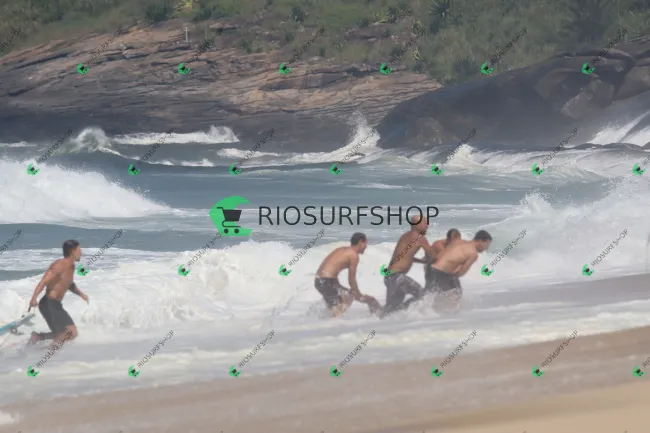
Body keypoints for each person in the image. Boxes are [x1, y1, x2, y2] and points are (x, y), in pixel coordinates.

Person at [27, 240, 89, 348]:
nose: (81, 252)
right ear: (72, 251)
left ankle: (37, 337)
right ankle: (48, 351)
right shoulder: (59, 265)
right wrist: (33, 298)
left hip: (53, 304)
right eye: (79, 250)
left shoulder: (71, 266)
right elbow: (43, 282)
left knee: (61, 333)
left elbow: (69, 284)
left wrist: (81, 295)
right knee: (72, 332)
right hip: (49, 303)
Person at [381, 216, 439, 317]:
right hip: (398, 278)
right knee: (424, 295)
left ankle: (375, 320)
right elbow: (433, 256)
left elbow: (405, 256)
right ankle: (411, 313)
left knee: (391, 311)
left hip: (390, 277)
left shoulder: (405, 236)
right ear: (416, 224)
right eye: (425, 223)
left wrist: (422, 261)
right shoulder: (420, 238)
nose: (427, 225)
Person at [314, 233, 382, 317]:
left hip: (320, 280)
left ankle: (328, 320)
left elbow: (330, 269)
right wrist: (358, 294)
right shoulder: (354, 255)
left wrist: (352, 293)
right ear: (360, 242)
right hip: (327, 281)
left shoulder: (342, 249)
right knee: (342, 304)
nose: (366, 246)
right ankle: (335, 320)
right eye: (365, 243)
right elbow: (351, 279)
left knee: (344, 299)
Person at [426, 230, 492, 314]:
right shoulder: (473, 254)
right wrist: (457, 270)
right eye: (487, 244)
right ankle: (447, 315)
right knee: (454, 294)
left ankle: (431, 310)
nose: (486, 248)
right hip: (441, 272)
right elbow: (462, 272)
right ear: (480, 241)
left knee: (434, 293)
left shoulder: (458, 241)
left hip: (432, 268)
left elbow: (446, 253)